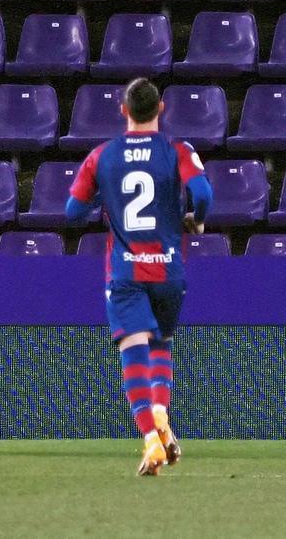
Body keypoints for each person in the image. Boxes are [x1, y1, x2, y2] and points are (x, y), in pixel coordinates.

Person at [66, 78, 212, 476]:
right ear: (161, 108)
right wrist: (195, 222)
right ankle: (161, 419)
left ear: (123, 110)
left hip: (126, 270)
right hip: (169, 267)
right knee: (161, 344)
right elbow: (203, 195)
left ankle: (150, 440)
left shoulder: (102, 156)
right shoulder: (177, 150)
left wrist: (105, 197)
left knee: (133, 348)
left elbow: (71, 213)